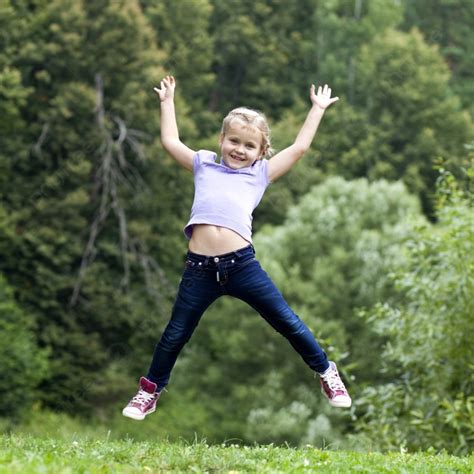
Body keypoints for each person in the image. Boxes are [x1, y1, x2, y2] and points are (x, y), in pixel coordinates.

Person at [122, 75, 351, 421]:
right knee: (176, 333)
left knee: (286, 320)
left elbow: (299, 148)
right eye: (234, 141)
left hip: (241, 266)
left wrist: (317, 109)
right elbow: (170, 140)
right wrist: (167, 102)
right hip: (199, 270)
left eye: (248, 146)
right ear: (222, 139)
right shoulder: (203, 164)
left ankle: (326, 372)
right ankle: (149, 391)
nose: (239, 150)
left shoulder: (259, 174)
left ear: (260, 152)